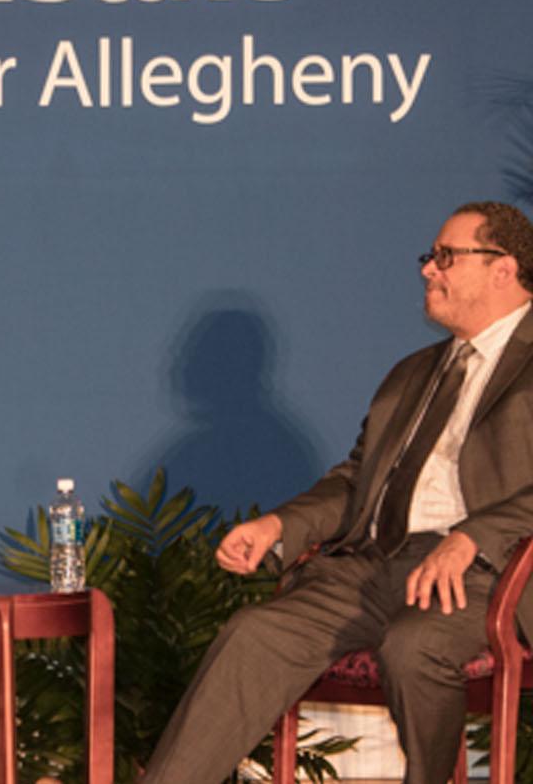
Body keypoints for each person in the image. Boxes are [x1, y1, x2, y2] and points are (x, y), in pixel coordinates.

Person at [142, 201, 533, 784]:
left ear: (503, 268)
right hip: (375, 566)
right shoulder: (412, 373)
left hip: (487, 573)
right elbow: (357, 479)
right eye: (430, 257)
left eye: (446, 257)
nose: (428, 269)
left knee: (413, 647)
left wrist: (472, 536)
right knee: (256, 634)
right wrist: (278, 526)